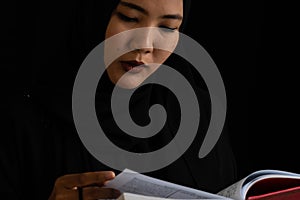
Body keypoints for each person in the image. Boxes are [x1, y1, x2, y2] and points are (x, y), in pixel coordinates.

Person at [1, 0, 237, 199]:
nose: (144, 45)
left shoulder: (198, 113)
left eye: (167, 27)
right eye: (130, 18)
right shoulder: (22, 120)